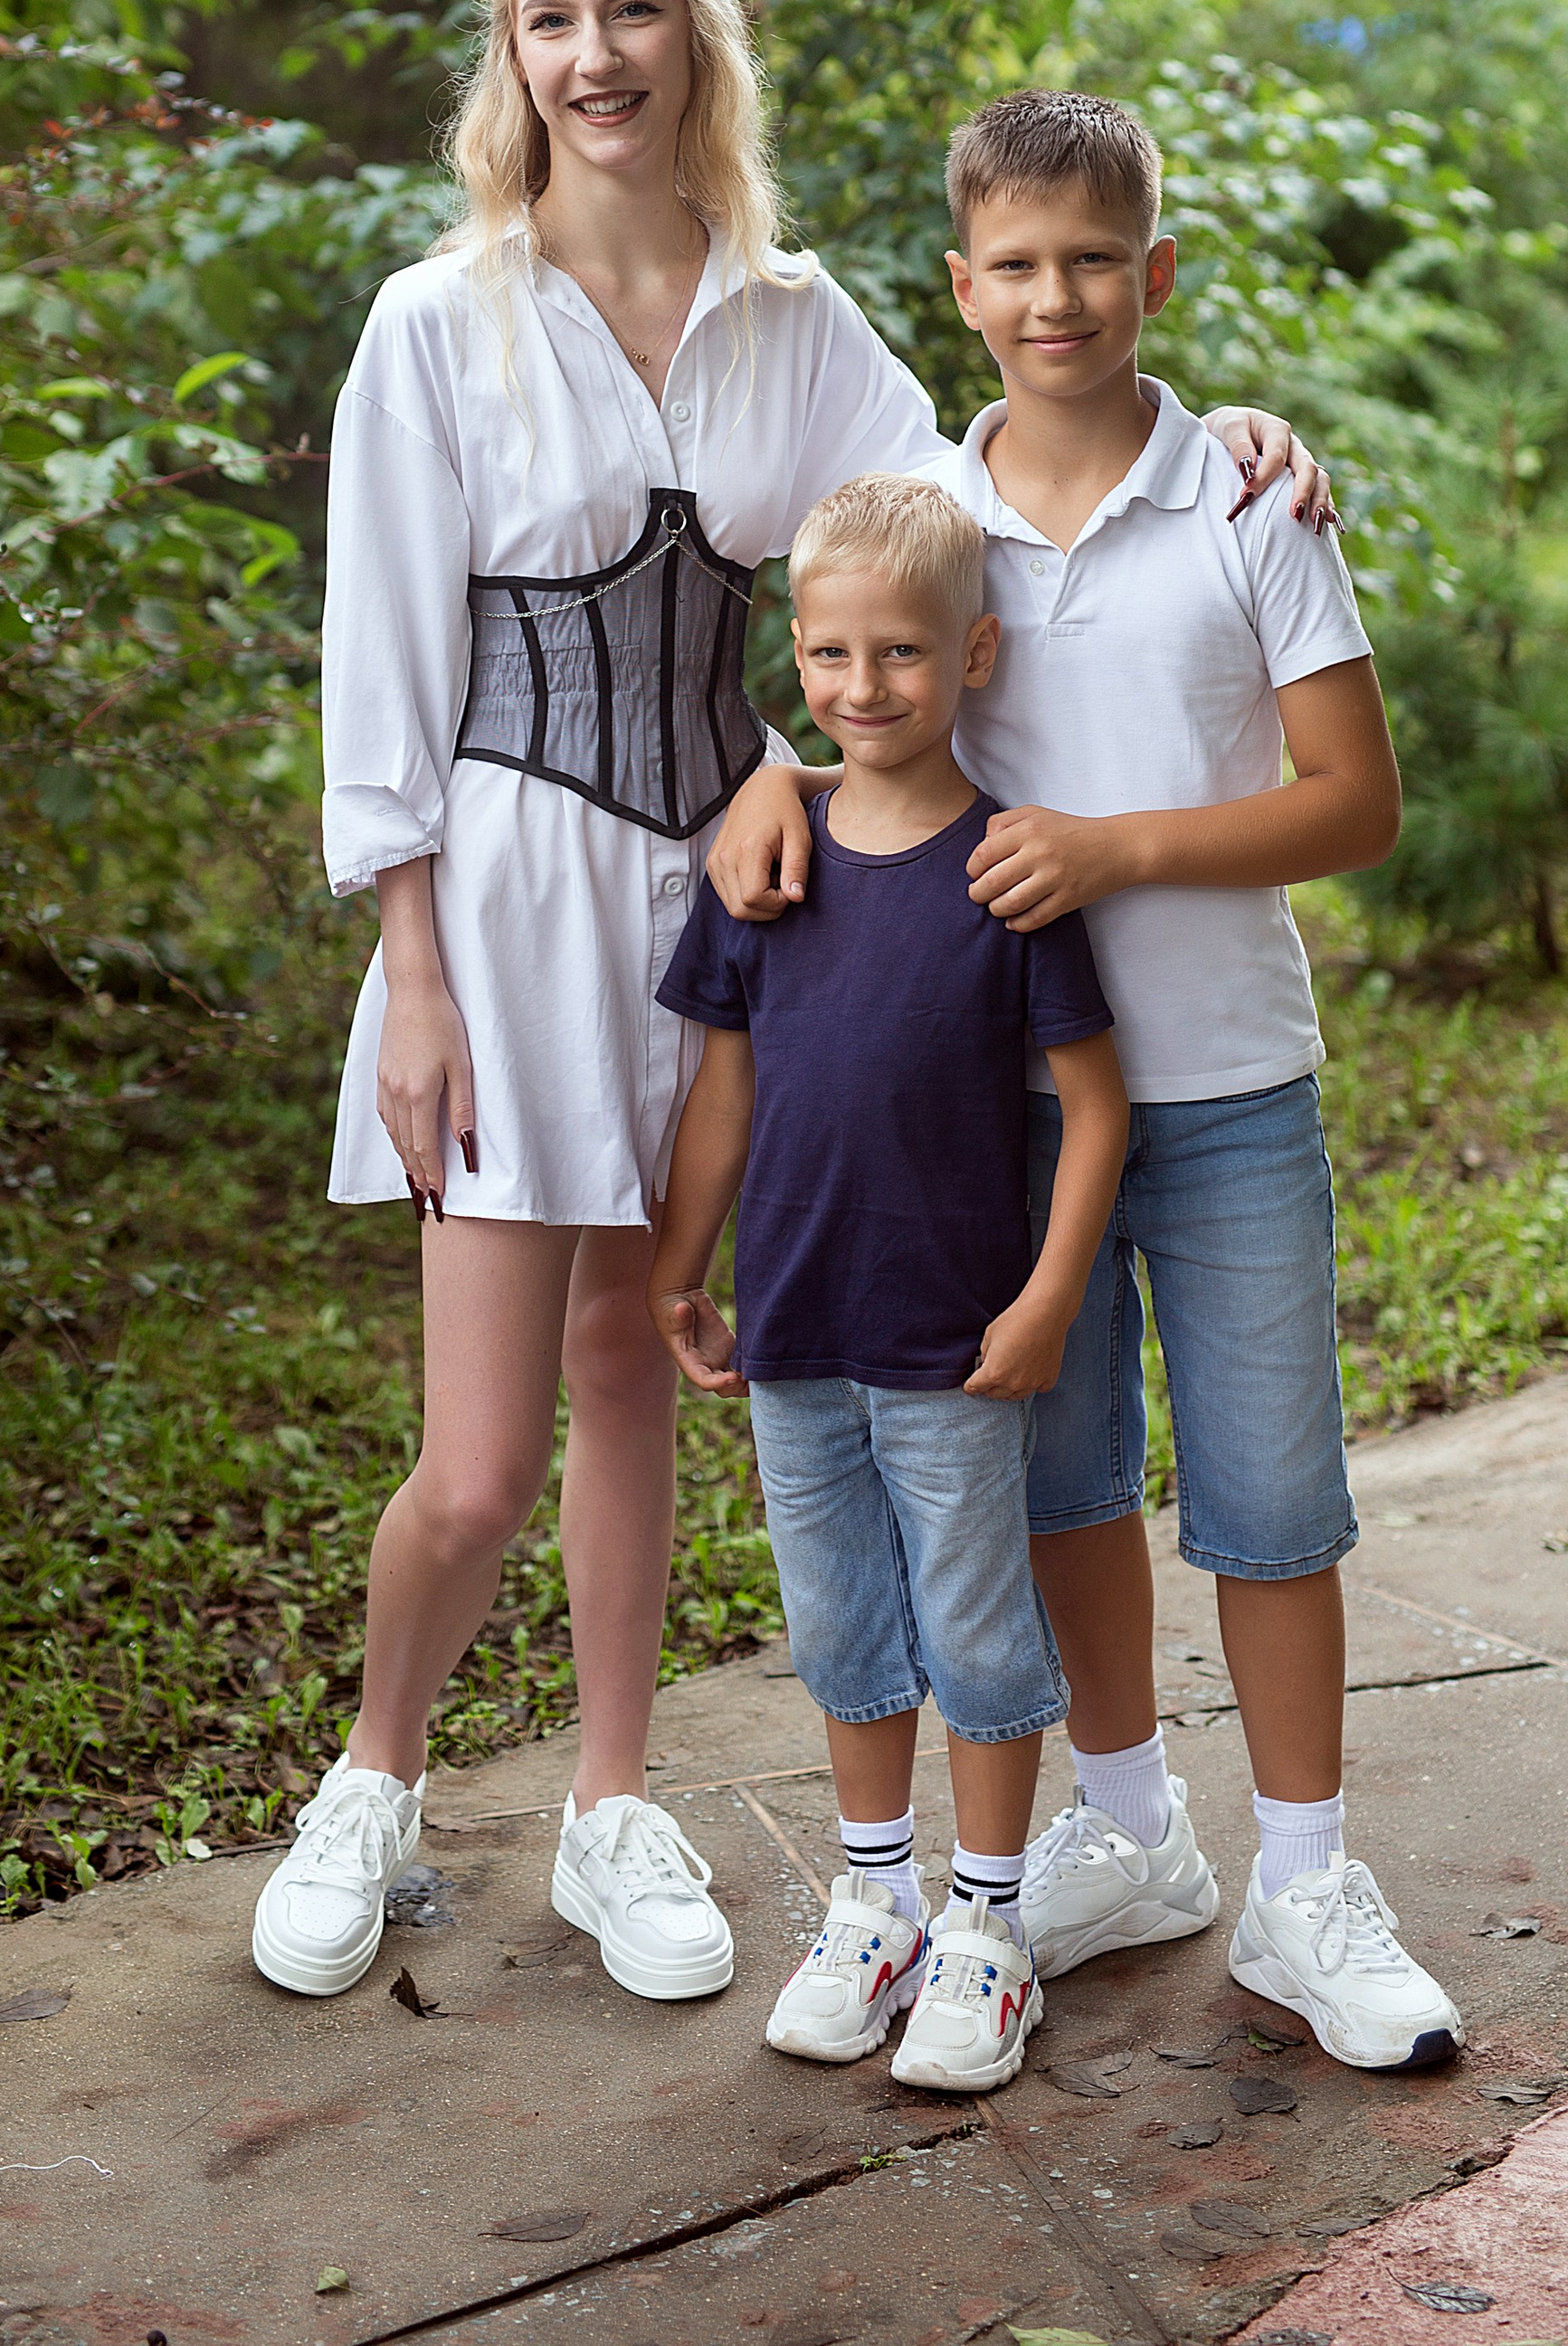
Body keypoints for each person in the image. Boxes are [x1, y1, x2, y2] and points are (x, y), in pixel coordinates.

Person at [245, 0, 1327, 2004]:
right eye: (551, 21)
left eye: (630, 11)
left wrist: (1211, 440)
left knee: (632, 1361)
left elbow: (960, 519)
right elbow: (381, 668)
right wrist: (411, 973)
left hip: (736, 895)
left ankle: (609, 1805)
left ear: (694, 34)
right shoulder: (436, 322)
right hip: (503, 903)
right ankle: (368, 1781)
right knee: (478, 1456)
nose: (593, 58)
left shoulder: (789, 313)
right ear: (509, 57)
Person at [709, 89, 1466, 2071]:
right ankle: (1129, 1838)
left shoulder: (1245, 502)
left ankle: (1304, 1884)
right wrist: (761, 784)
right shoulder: (920, 508)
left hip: (1226, 1089)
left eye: (1096, 262)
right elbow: (849, 688)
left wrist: (1116, 847)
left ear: (1157, 273)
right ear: (961, 289)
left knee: (1272, 1501)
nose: (1058, 299)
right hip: (996, 1119)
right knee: (1059, 1490)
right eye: (1019, 267)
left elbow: (1355, 803)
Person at [647, 473, 1128, 2093]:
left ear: (973, 654)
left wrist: (1049, 1295)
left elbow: (1096, 1106)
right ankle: (878, 1907)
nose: (865, 686)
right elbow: (723, 1095)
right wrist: (677, 1271)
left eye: (904, 652)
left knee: (979, 1632)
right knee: (842, 1623)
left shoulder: (1006, 874)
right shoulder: (763, 871)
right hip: (794, 1327)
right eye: (833, 654)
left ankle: (988, 1925)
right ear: (796, 657)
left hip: (952, 1337)